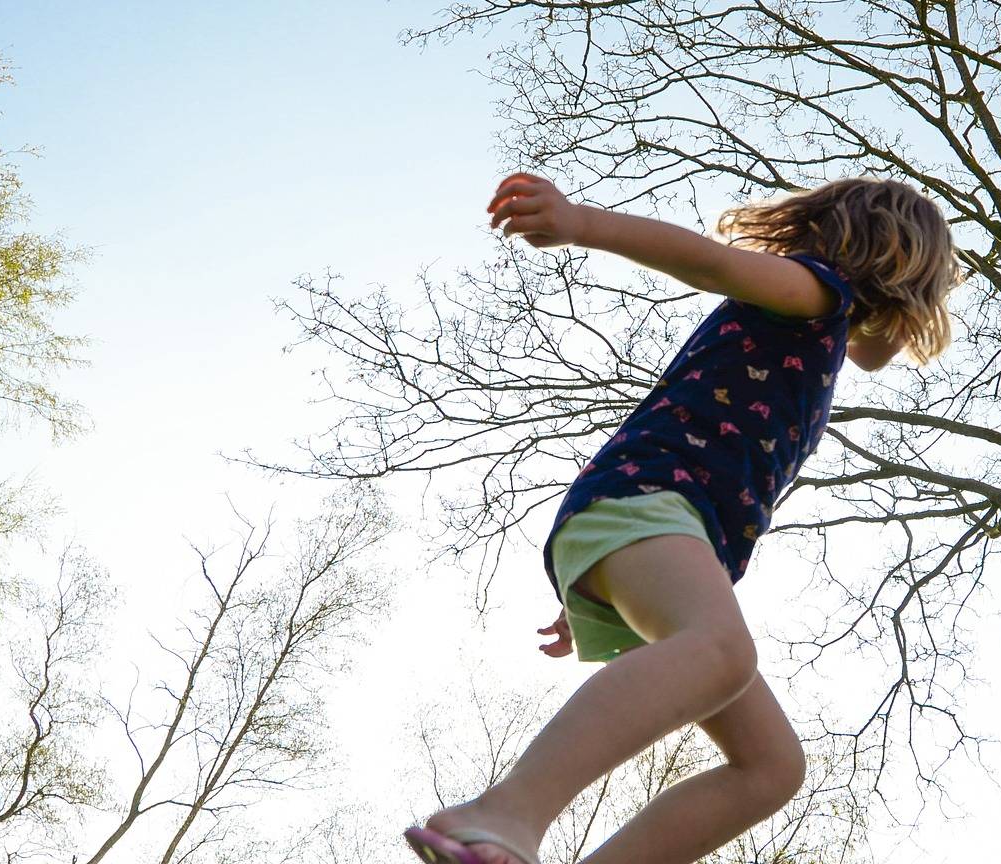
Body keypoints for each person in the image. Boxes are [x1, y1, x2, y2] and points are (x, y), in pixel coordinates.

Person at [402, 172, 963, 864]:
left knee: (771, 767)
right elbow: (713, 261)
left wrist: (607, 586)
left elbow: (874, 354)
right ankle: (500, 813)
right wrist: (582, 224)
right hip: (647, 502)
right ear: (894, 266)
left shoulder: (822, 329)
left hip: (647, 530)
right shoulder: (813, 291)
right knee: (723, 651)